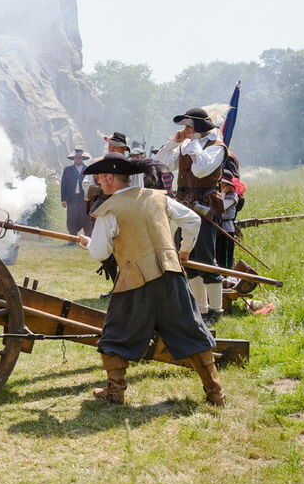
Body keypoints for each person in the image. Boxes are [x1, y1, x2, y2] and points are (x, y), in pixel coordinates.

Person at [78, 153, 225, 406]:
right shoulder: (158, 197)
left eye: (101, 178)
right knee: (191, 331)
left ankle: (115, 391)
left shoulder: (108, 210)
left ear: (110, 178)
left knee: (115, 335)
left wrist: (88, 243)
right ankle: (215, 393)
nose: (99, 183)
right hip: (172, 277)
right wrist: (184, 250)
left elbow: (100, 253)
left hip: (135, 282)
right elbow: (192, 220)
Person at [154, 107, 227, 325]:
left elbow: (200, 171)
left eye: (188, 127)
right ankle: (200, 307)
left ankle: (216, 310)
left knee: (205, 255)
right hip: (185, 204)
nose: (185, 130)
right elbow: (164, 165)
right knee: (187, 254)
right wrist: (174, 143)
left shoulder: (217, 147)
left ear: (198, 128)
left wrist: (192, 143)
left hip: (205, 205)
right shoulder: (187, 145)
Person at [60, 148, 92, 242]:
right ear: (73, 159)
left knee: (86, 219)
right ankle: (72, 239)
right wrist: (63, 199)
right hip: (72, 198)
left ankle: (88, 240)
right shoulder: (68, 170)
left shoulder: (88, 170)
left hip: (85, 199)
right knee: (72, 218)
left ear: (82, 159)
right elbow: (63, 185)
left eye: (79, 158)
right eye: (76, 158)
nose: (78, 159)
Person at [215, 172, 239, 269]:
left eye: (222, 183)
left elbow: (220, 207)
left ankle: (226, 276)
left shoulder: (232, 196)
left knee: (225, 257)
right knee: (217, 255)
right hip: (217, 228)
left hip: (226, 229)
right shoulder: (219, 194)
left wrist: (224, 193)